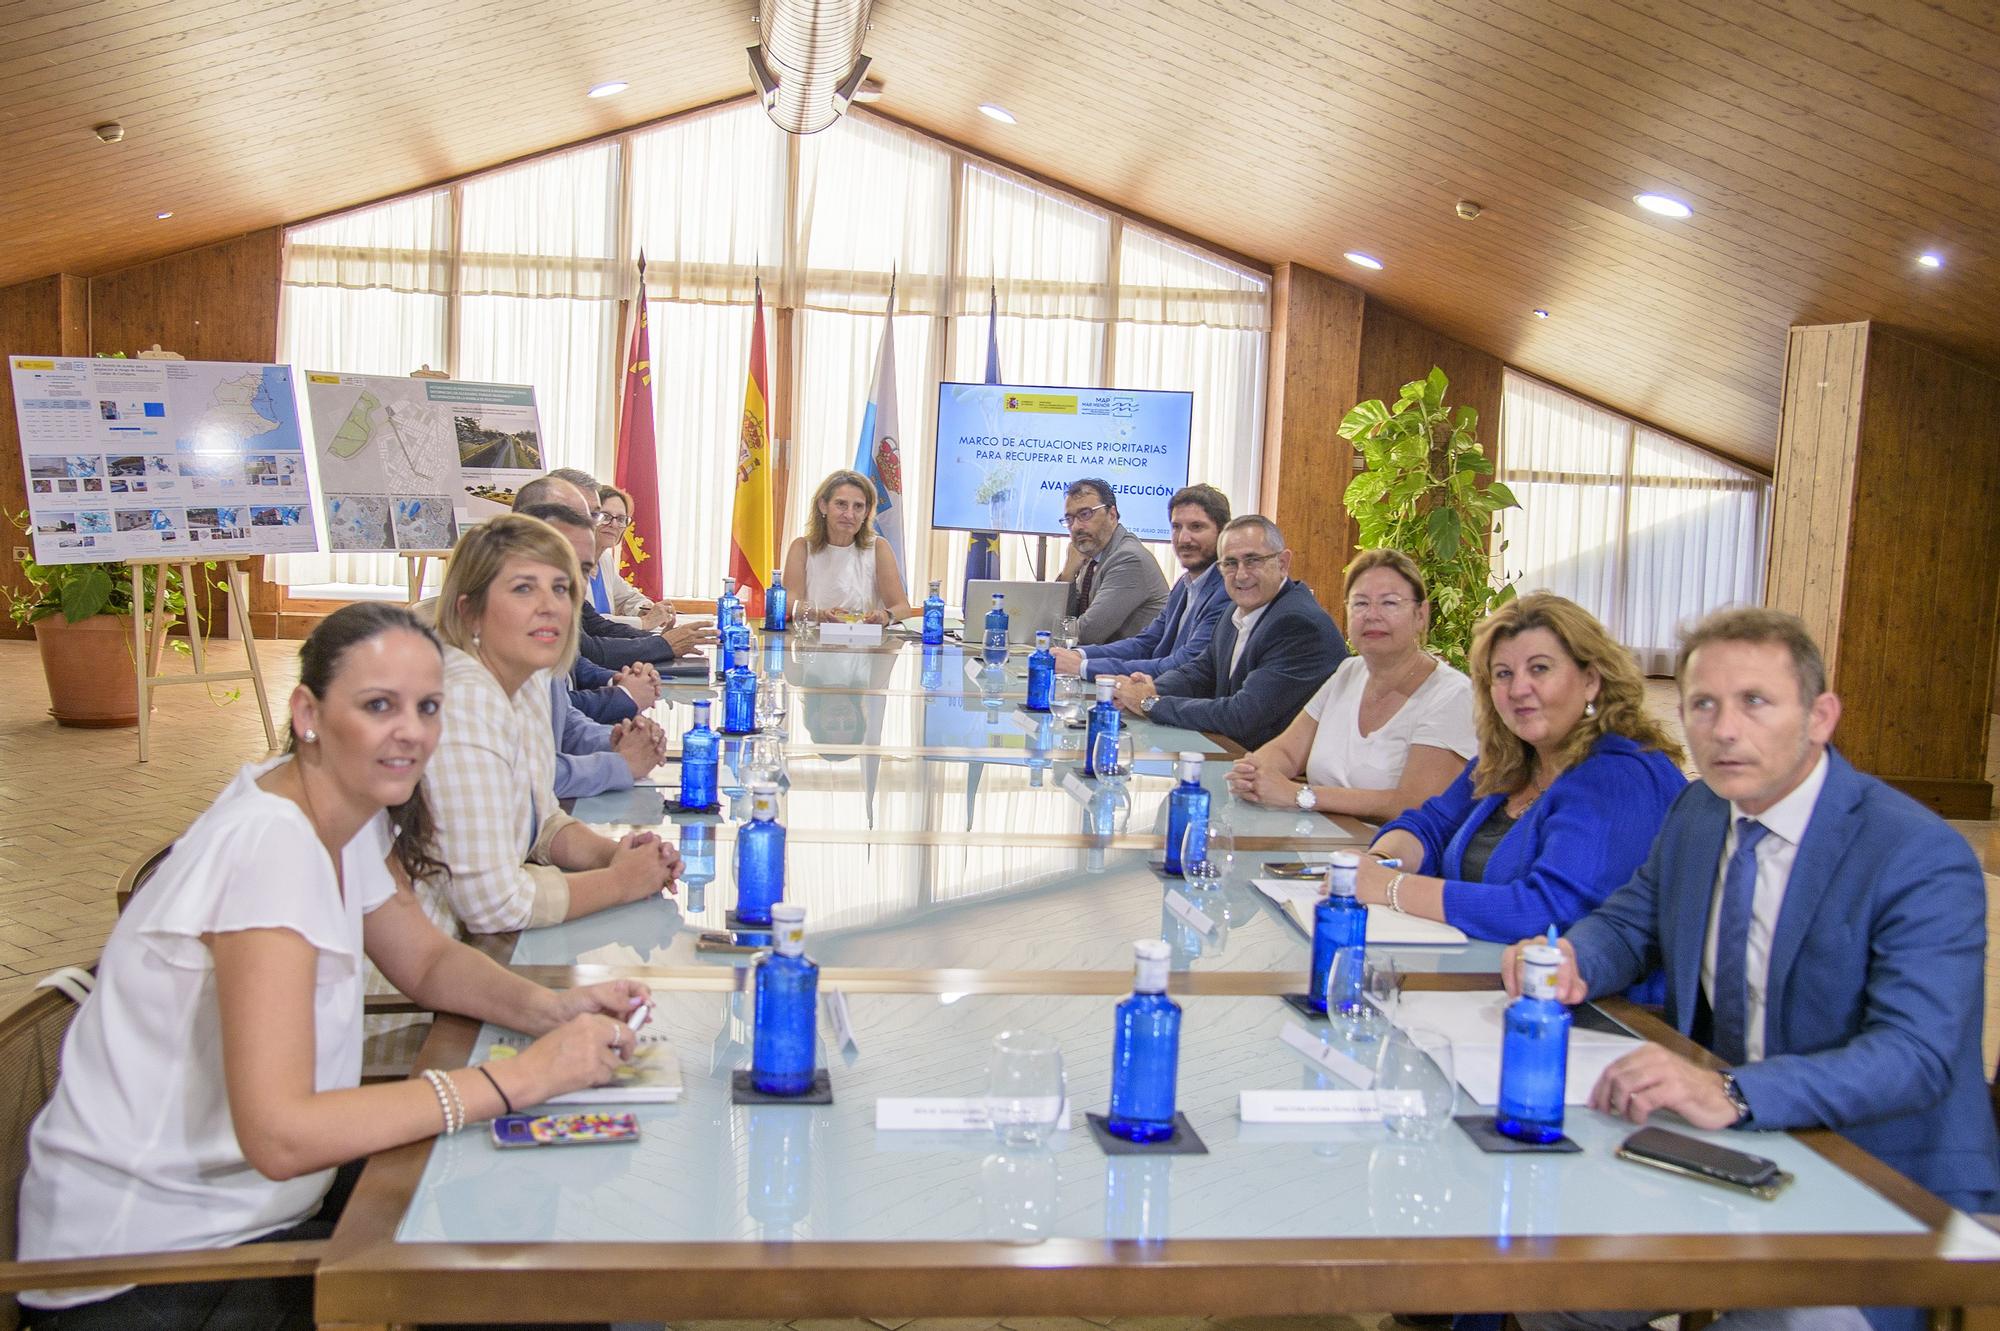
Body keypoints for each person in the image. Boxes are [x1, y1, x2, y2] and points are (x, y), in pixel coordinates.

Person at [15, 603, 656, 1330]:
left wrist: (554, 1010)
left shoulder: (331, 804)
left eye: (428, 707)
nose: (411, 732)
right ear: (308, 712)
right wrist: (523, 1077)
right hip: (153, 1272)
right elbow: (282, 1133)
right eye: (378, 705)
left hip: (255, 1215)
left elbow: (426, 960)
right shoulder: (269, 849)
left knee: (556, 1253)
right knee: (557, 1295)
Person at [1504, 608, 1999, 1331]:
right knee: (1553, 1285)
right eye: (1704, 704)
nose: (1724, 729)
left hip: (1889, 1189)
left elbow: (1915, 1056)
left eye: (1755, 702)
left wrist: (1732, 1089)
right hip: (1729, 1150)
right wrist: (1572, 956)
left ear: (1821, 716)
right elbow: (1630, 922)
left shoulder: (1915, 854)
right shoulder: (1701, 809)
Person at [1355, 592, 1686, 944]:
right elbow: (1429, 826)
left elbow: (1545, 910)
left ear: (1590, 679)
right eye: (1503, 674)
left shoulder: (1621, 776)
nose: (1518, 689)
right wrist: (1380, 861)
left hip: (1592, 996)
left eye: (1539, 668)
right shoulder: (1508, 761)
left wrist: (1393, 888)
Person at [419, 513, 680, 935]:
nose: (550, 606)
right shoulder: (460, 702)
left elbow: (542, 818)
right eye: (524, 588)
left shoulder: (524, 677)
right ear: (469, 612)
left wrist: (617, 855)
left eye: (561, 588)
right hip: (429, 965)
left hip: (486, 944)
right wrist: (620, 881)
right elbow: (492, 906)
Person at [1226, 548, 1474, 819]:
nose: (1372, 615)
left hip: (1388, 854)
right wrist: (1253, 772)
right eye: (1360, 603)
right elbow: (1287, 751)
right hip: (1320, 841)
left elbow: (1413, 803)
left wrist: (1301, 795)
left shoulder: (1452, 695)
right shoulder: (1349, 672)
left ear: (1420, 614)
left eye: (1389, 603)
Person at [1109, 515, 1345, 751]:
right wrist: (1147, 689)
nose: (1241, 575)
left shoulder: (1298, 624)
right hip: (1234, 756)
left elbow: (1242, 716)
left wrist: (1151, 703)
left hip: (1284, 775)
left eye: (1252, 560)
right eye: (1230, 564)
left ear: (1283, 563)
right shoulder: (1235, 609)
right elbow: (1200, 672)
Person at [1051, 482, 1229, 681]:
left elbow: (1182, 664)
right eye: (1176, 527)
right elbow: (1146, 643)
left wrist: (1083, 666)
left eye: (1196, 527)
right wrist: (1079, 655)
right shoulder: (1185, 584)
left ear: (1223, 533)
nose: (1184, 539)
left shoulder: (1226, 591)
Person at [780, 469, 913, 624]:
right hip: (813, 641)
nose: (849, 515)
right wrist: (820, 615)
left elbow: (903, 608)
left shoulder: (878, 547)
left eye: (858, 506)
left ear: (866, 512)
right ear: (823, 506)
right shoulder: (802, 547)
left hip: (865, 643)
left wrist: (885, 616)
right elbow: (789, 605)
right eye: (841, 504)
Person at [1055, 477, 1168, 645]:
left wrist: (1051, 629)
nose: (1076, 527)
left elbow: (1088, 633)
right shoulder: (1094, 554)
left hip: (1134, 667)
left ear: (1112, 515)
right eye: (1069, 519)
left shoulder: (1129, 559)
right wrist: (1068, 573)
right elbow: (1067, 617)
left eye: (1085, 514)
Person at [593, 482, 674, 629]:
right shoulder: (567, 563)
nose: (614, 525)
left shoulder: (604, 560)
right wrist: (644, 623)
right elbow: (590, 622)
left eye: (621, 519)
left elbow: (628, 598)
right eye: (605, 516)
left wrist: (646, 609)